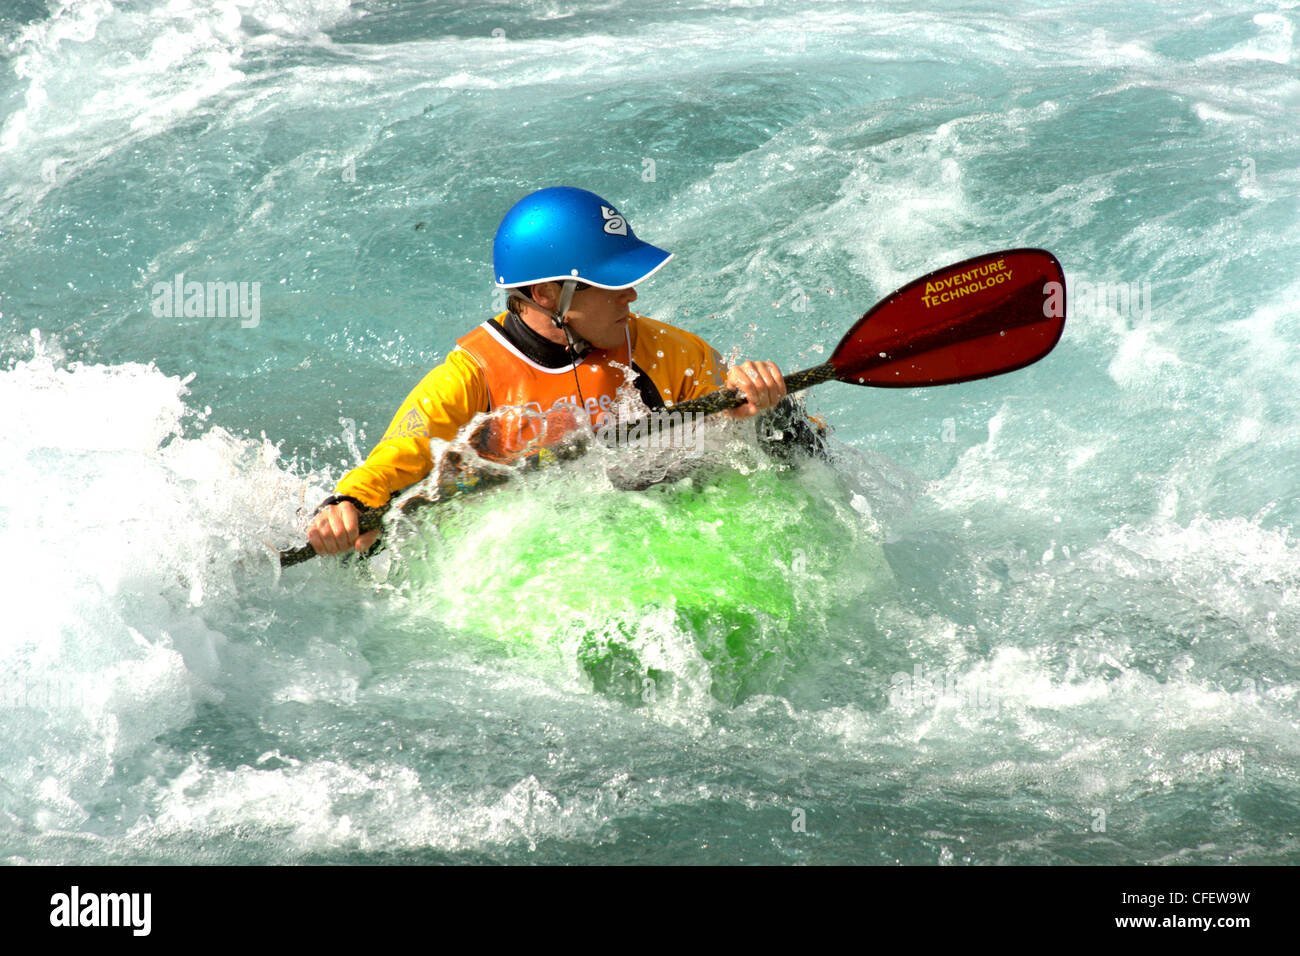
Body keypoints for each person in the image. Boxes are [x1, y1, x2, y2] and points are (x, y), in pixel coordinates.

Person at [307, 186, 789, 557]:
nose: (632, 297)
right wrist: (344, 506)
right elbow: (398, 457)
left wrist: (766, 410)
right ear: (545, 294)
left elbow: (794, 451)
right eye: (611, 284)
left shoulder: (666, 352)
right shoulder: (472, 376)